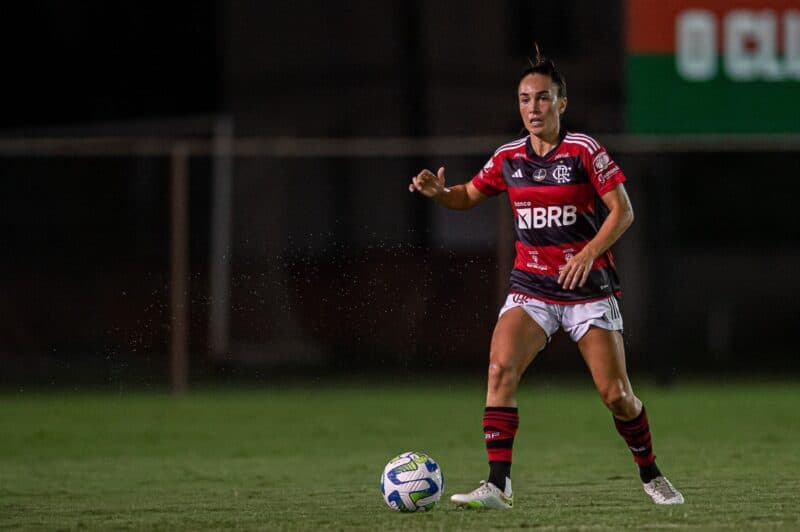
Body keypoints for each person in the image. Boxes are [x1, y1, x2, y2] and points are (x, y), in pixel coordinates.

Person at [407, 49, 684, 509]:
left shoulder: (583, 151)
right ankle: (498, 484)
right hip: (531, 288)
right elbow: (467, 196)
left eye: (542, 99)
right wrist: (441, 194)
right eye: (524, 100)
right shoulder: (508, 158)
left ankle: (651, 473)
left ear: (562, 103)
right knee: (499, 369)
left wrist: (590, 252)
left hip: (586, 291)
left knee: (616, 395)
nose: (533, 108)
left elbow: (624, 211)